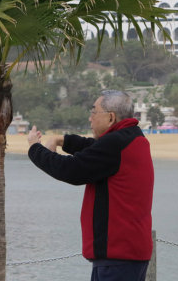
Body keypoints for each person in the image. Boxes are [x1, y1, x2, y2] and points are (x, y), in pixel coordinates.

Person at [27, 90, 154, 281]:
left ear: (111, 117)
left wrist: (34, 148)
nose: (90, 118)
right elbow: (93, 148)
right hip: (126, 255)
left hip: (118, 257)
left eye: (94, 112)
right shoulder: (131, 138)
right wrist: (62, 140)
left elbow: (71, 169)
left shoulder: (115, 144)